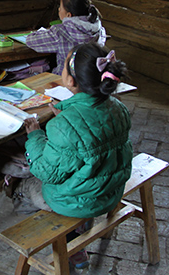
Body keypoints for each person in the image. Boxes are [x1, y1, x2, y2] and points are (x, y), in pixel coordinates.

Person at [12, 42, 133, 268]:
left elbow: (46, 171)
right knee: (82, 173)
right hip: (110, 191)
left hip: (77, 201)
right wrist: (67, 113)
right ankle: (77, 238)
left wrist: (36, 136)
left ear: (70, 81)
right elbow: (92, 126)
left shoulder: (65, 126)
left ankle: (66, 239)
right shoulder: (119, 108)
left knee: (20, 180)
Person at [25, 0, 107, 75]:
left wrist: (42, 32)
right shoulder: (100, 30)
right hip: (89, 79)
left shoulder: (60, 31)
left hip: (63, 79)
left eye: (60, 7)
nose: (59, 9)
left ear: (68, 15)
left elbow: (30, 41)